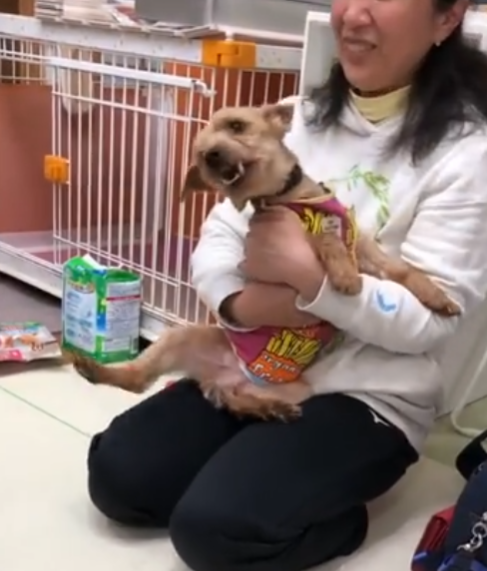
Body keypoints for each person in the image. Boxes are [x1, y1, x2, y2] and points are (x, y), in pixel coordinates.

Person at [86, 0, 487, 568]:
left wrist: (309, 279)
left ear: (447, 18)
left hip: (366, 393)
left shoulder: (469, 152)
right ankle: (251, 458)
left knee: (214, 532)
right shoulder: (293, 117)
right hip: (256, 361)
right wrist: (245, 306)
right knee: (119, 478)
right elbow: (217, 243)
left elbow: (431, 322)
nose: (354, 13)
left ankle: (340, 523)